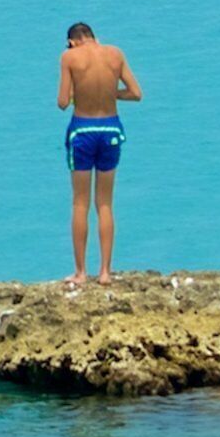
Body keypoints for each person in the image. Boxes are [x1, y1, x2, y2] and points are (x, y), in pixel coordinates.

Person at [57, 21, 143, 286]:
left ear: (73, 41)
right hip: (110, 128)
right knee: (105, 203)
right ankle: (105, 272)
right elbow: (136, 93)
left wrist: (77, 94)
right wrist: (109, 92)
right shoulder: (115, 54)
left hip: (83, 130)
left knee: (80, 202)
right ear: (93, 37)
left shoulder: (69, 57)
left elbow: (62, 102)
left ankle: (81, 273)